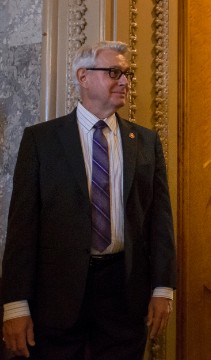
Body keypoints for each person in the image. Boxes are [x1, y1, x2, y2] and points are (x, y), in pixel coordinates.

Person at [1, 41, 177, 359]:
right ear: (83, 77)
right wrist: (15, 304)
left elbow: (159, 221)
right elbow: (22, 227)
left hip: (124, 292)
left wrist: (163, 287)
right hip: (57, 296)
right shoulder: (41, 141)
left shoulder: (146, 142)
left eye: (127, 73)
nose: (124, 81)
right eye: (114, 72)